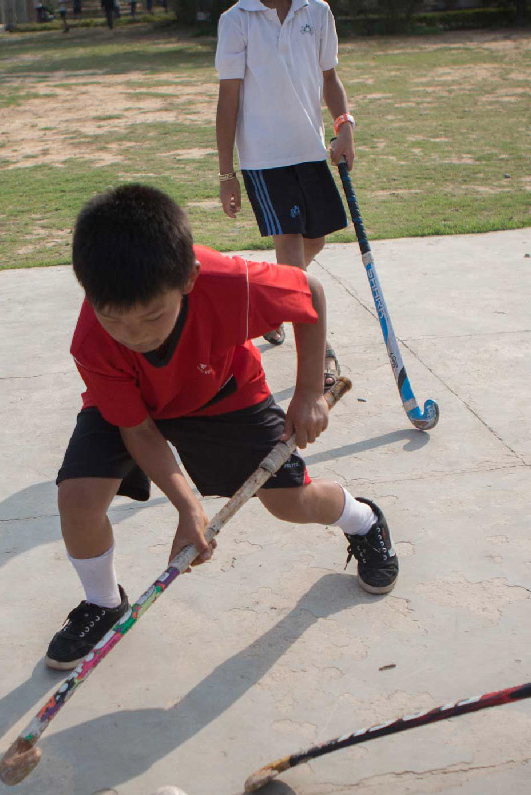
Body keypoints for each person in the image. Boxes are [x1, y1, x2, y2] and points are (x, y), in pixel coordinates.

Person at [44, 184, 400, 670]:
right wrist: (188, 505)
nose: (136, 337)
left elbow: (310, 292)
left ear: (189, 279)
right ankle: (103, 603)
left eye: (152, 316)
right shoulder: (92, 341)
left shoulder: (229, 282)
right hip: (135, 406)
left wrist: (309, 391)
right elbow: (139, 429)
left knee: (291, 504)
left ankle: (362, 519)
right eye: (115, 322)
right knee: (77, 500)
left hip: (221, 393)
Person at [215, 0, 349, 393]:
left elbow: (330, 79)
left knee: (315, 241)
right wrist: (227, 173)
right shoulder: (237, 19)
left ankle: (270, 298)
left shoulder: (317, 12)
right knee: (291, 255)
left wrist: (344, 127)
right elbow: (228, 100)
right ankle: (320, 352)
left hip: (310, 151)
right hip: (264, 157)